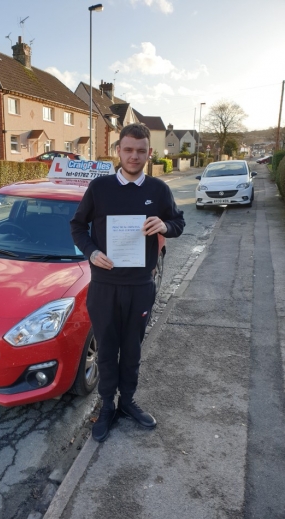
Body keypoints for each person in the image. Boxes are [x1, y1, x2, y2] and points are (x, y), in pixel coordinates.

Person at [70, 123, 185, 442]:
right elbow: (78, 227)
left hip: (140, 288)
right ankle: (107, 406)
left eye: (141, 150)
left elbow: (179, 223)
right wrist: (91, 252)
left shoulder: (159, 190)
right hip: (104, 286)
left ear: (149, 153)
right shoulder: (100, 188)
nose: (135, 156)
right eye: (128, 149)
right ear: (118, 150)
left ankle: (128, 402)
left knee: (132, 349)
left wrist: (165, 223)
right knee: (107, 349)